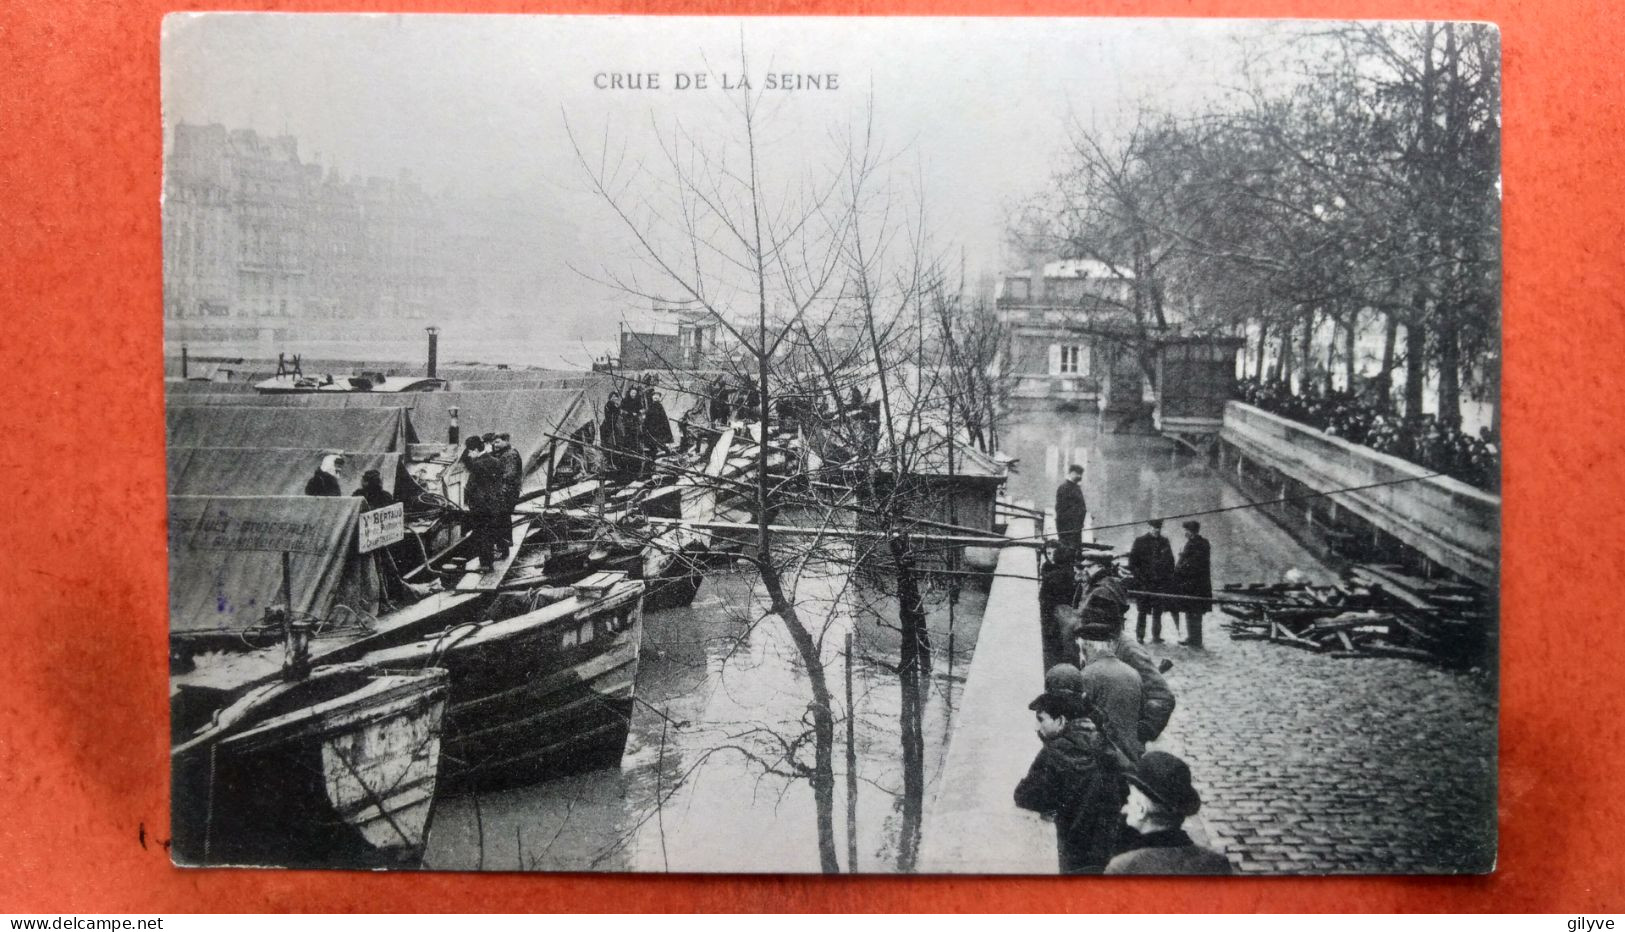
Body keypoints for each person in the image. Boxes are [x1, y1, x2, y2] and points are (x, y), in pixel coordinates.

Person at [1014, 682, 1128, 874]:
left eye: (1041, 720)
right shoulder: (1102, 742)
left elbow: (1025, 796)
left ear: (1061, 721)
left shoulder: (1055, 752)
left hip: (1077, 852)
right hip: (1110, 848)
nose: (1036, 726)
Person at [1105, 751, 1232, 875]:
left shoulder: (1123, 868)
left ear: (1141, 809)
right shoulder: (1217, 863)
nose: (1126, 805)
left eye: (1130, 797)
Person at [460, 436, 508, 571]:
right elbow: (499, 483)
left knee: (481, 535)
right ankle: (504, 551)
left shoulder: (477, 464)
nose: (469, 454)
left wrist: (468, 501)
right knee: (492, 531)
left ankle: (486, 565)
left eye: (470, 451)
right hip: (494, 504)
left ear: (475, 449)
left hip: (480, 506)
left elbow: (470, 487)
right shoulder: (496, 461)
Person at [1128, 519, 1177, 643]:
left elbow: (1171, 562)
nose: (1156, 530)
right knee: (1142, 611)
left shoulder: (1164, 542)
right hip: (1144, 583)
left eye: (1158, 528)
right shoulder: (1140, 541)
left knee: (1157, 611)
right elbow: (1132, 563)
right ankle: (1140, 636)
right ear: (1149, 527)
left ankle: (1156, 636)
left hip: (1159, 583)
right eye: (1154, 528)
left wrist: (1166, 577)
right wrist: (1139, 577)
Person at [1172, 520, 1214, 649]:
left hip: (1197, 585)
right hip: (1193, 584)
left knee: (1195, 611)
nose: (1185, 533)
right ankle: (1192, 637)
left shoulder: (1199, 544)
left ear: (1192, 532)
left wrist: (1180, 567)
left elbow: (1193, 564)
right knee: (1190, 611)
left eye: (1187, 531)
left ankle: (1196, 640)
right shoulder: (1195, 543)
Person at [1054, 464, 1087, 551]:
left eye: (1081, 474)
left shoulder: (1077, 488)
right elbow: (1060, 509)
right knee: (1067, 549)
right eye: (1077, 473)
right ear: (1071, 473)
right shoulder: (1063, 488)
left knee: (1075, 549)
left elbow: (1081, 506)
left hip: (1076, 526)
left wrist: (1079, 522)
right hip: (1067, 526)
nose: (1080, 476)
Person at [492, 433, 524, 515]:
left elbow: (509, 475)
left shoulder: (510, 455)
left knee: (503, 518)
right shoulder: (504, 453)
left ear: (506, 441)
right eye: (494, 442)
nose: (495, 445)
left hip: (507, 493)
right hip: (506, 492)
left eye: (497, 442)